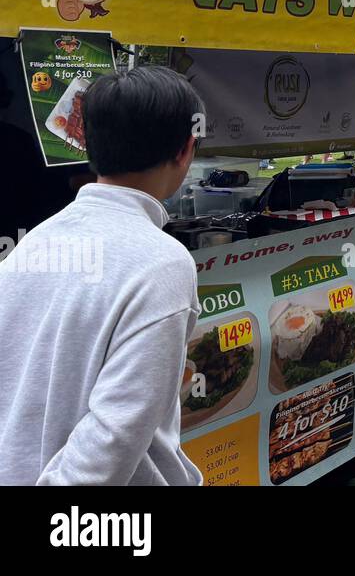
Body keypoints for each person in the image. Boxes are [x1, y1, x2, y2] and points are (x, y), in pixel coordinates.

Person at [0, 66, 205, 485]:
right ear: (186, 149)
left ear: (85, 141)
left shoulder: (35, 242)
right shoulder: (162, 263)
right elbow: (115, 434)